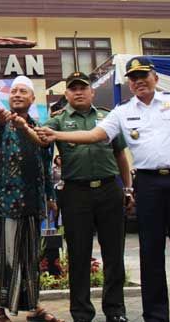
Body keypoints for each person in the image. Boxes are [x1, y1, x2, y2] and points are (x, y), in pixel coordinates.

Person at [37, 57, 170, 322]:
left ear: (156, 78)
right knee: (150, 252)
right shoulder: (121, 112)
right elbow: (95, 136)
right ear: (128, 83)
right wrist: (57, 135)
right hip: (148, 184)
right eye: (133, 77)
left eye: (143, 75)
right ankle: (155, 316)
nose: (139, 81)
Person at [42, 71, 133, 322]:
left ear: (92, 92)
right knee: (79, 255)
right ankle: (81, 313)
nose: (79, 92)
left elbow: (121, 156)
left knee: (114, 254)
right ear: (67, 94)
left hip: (109, 190)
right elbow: (38, 138)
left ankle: (115, 311)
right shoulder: (57, 121)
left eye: (83, 88)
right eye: (73, 89)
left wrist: (128, 188)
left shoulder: (107, 117)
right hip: (75, 193)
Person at [0, 76, 62, 322]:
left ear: (32, 99)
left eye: (23, 92)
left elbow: (45, 165)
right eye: (14, 91)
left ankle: (34, 308)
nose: (17, 94)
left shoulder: (39, 127)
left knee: (29, 258)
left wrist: (50, 196)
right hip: (5, 203)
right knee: (3, 256)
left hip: (32, 202)